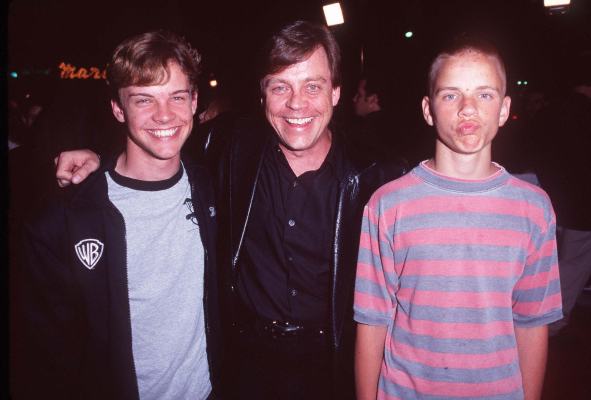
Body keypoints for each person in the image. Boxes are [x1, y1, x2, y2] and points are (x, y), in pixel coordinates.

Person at [54, 20, 406, 399]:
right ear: (262, 95)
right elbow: (160, 140)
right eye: (280, 87)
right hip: (241, 367)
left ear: (336, 92)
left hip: (333, 367)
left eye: (313, 86)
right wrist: (96, 158)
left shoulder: (378, 178)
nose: (297, 103)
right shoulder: (230, 147)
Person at [354, 35, 562, 400]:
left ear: (503, 108)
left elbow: (532, 323)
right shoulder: (387, 205)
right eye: (450, 95)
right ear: (428, 109)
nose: (468, 108)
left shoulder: (534, 208)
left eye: (484, 94)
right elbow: (372, 322)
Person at [16, 30, 221, 400]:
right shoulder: (63, 220)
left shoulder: (214, 188)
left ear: (194, 102)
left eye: (176, 96)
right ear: (117, 108)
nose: (164, 114)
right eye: (144, 99)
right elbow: (49, 359)